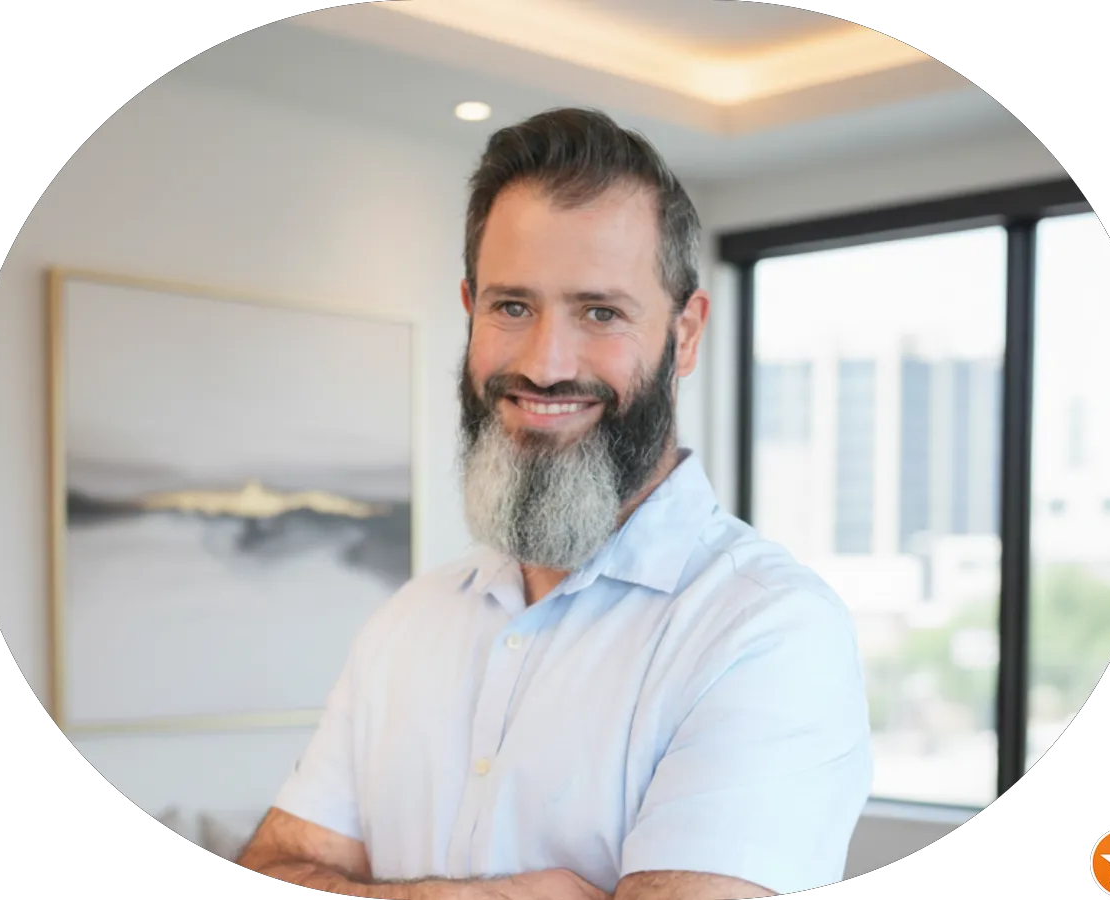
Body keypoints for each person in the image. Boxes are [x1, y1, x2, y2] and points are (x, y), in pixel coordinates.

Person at [237, 107, 872, 900]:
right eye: (512, 307)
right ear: (469, 309)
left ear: (686, 334)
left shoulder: (765, 630)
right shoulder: (406, 624)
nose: (545, 364)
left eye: (600, 312)